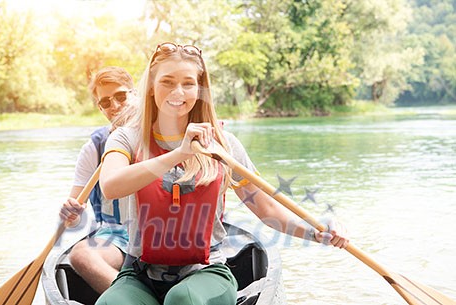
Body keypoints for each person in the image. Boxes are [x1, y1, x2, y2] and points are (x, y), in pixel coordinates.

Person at [96, 43, 349, 305]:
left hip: (206, 271)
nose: (178, 92)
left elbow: (268, 209)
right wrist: (180, 153)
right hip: (139, 273)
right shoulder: (125, 138)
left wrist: (315, 232)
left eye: (188, 83)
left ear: (200, 89)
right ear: (151, 86)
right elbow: (111, 186)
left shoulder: (223, 145)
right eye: (167, 82)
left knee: (183, 299)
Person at [58, 66, 136, 294]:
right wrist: (70, 213)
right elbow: (71, 220)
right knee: (81, 255)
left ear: (135, 94)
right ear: (100, 107)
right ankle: (131, 298)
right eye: (105, 102)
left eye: (121, 96)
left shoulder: (160, 134)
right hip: (117, 235)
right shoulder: (94, 148)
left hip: (160, 232)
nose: (115, 106)